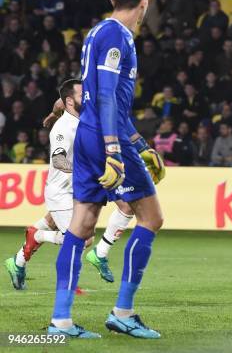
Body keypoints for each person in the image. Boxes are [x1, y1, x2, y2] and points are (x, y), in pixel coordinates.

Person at [48, 0, 165, 339]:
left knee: (81, 225)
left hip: (88, 133)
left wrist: (141, 144)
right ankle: (123, 312)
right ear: (144, 2)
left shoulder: (98, 31)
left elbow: (104, 99)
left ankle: (61, 320)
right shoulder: (118, 35)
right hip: (104, 138)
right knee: (151, 218)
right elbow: (106, 96)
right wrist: (116, 149)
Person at [4, 79, 135, 290]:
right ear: (70, 101)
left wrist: (55, 111)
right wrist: (84, 170)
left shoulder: (81, 112)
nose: (87, 97)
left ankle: (18, 261)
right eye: (81, 95)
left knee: (126, 206)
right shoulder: (63, 129)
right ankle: (39, 236)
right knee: (83, 240)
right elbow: (58, 160)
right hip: (62, 191)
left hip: (81, 187)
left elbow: (59, 102)